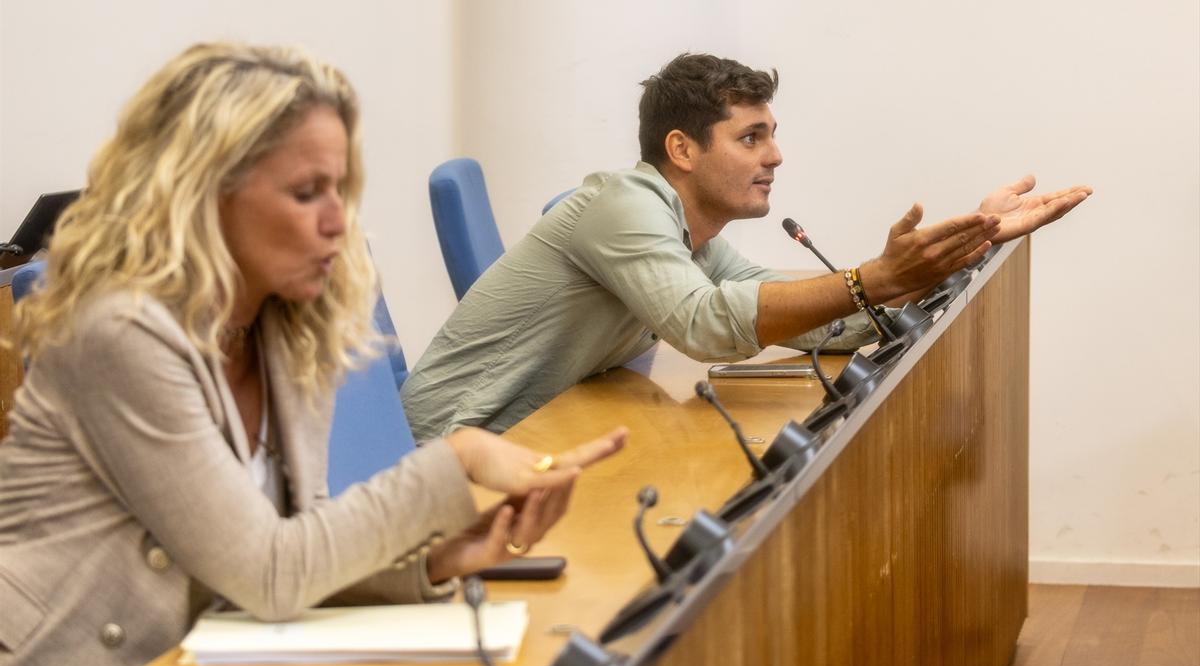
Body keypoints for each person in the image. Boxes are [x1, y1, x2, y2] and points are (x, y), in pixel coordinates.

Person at [0, 43, 625, 666]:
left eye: (341, 189)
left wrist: (430, 563)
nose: (338, 221)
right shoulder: (118, 335)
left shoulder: (280, 328)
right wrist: (456, 458)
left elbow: (285, 553)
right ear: (207, 197)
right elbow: (269, 571)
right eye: (307, 192)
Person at [401, 53, 1091, 443]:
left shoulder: (692, 237)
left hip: (525, 439)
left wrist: (963, 242)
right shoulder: (623, 205)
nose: (776, 155)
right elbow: (706, 324)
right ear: (682, 149)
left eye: (772, 134)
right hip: (439, 452)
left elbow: (821, 321)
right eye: (751, 137)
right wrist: (874, 278)